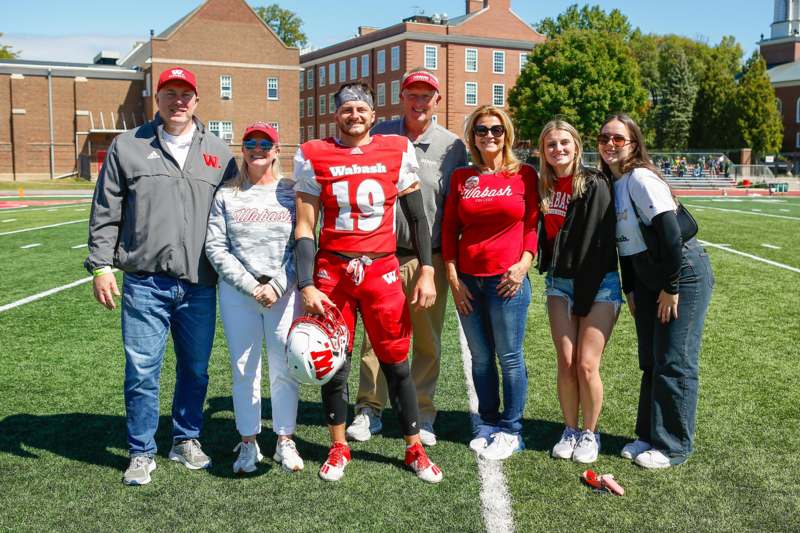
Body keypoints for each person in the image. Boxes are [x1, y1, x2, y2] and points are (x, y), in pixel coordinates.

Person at [85, 66, 237, 485]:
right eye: (170, 93)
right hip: (145, 282)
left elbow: (236, 214)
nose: (178, 101)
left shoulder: (219, 153)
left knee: (196, 369)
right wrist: (100, 265)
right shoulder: (128, 146)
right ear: (158, 99)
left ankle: (185, 438)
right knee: (142, 370)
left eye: (185, 94)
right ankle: (140, 450)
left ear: (196, 100)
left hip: (200, 285)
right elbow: (105, 209)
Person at [293, 82, 443, 483]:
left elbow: (417, 219)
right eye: (346, 110)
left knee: (397, 364)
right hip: (334, 272)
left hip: (383, 269)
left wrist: (426, 269)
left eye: (361, 109)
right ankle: (338, 446)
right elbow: (305, 226)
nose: (354, 116)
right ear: (335, 115)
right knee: (334, 365)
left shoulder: (396, 149)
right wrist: (306, 282)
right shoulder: (313, 154)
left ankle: (413, 449)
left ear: (374, 116)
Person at [348, 68, 468, 446]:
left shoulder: (452, 146)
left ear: (437, 101)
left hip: (427, 259)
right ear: (401, 97)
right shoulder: (379, 134)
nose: (419, 103)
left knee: (427, 341)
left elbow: (453, 208)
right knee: (376, 338)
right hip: (380, 255)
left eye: (426, 96)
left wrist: (444, 265)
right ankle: (370, 408)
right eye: (412, 95)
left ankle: (422, 413)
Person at [599, 113, 714, 469]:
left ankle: (673, 446)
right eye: (604, 138)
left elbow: (670, 234)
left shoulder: (640, 178)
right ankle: (648, 435)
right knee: (651, 359)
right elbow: (626, 245)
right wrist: (632, 288)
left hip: (680, 273)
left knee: (674, 361)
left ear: (634, 143)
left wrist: (671, 287)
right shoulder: (614, 183)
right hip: (648, 277)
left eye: (619, 138)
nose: (610, 144)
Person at [441, 105, 540, 461]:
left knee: (510, 357)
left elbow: (532, 227)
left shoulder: (524, 174)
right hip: (469, 280)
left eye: (496, 130)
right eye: (481, 130)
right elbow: (449, 229)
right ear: (473, 137)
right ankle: (487, 421)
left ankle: (512, 430)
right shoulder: (461, 178)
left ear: (506, 134)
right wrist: (453, 277)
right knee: (481, 358)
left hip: (507, 281)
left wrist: (523, 266)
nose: (489, 136)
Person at [205, 122, 304, 474]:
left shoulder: (291, 192)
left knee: (284, 367)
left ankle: (284, 440)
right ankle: (248, 442)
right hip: (239, 294)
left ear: (277, 150)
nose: (258, 148)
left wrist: (277, 284)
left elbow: (302, 244)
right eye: (251, 143)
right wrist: (251, 285)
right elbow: (216, 247)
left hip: (283, 292)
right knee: (244, 368)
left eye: (266, 143)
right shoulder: (226, 195)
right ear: (242, 149)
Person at [535, 120, 622, 464]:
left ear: (576, 145)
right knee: (567, 363)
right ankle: (569, 430)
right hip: (559, 283)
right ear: (543, 150)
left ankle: (590, 432)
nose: (558, 149)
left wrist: (584, 297)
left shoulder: (594, 182)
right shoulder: (544, 185)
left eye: (564, 142)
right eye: (551, 144)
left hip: (598, 283)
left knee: (587, 365)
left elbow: (593, 243)